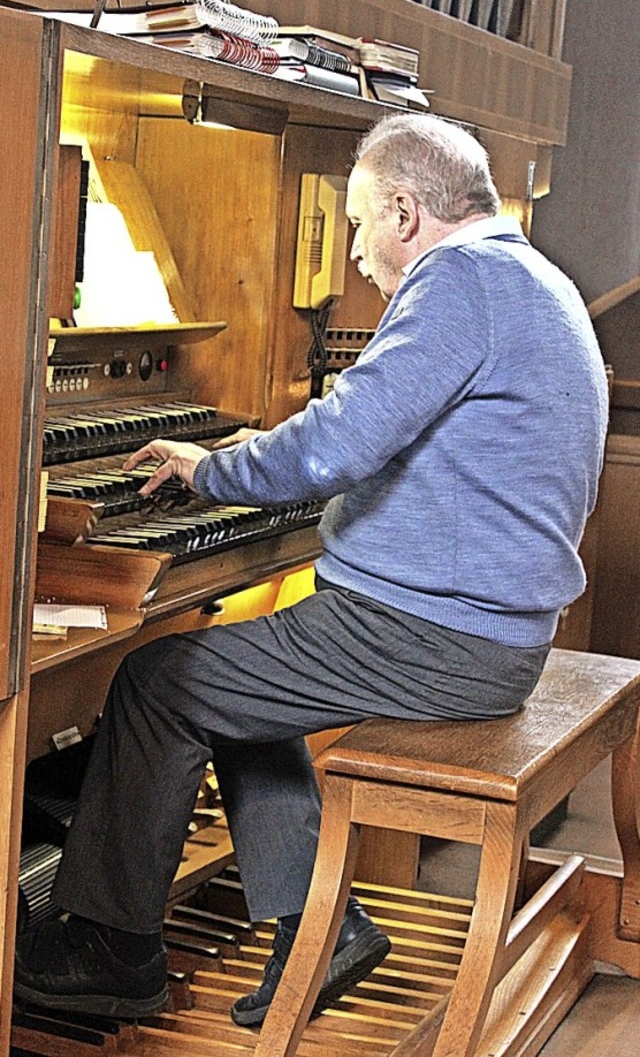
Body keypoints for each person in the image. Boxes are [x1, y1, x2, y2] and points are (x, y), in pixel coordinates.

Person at [15, 114, 609, 1027]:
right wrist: (263, 452)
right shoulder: (530, 278)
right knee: (245, 674)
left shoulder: (461, 282)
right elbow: (392, 441)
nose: (358, 256)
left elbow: (341, 445)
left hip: (437, 636)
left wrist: (212, 468)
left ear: (408, 212)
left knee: (161, 678)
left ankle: (111, 949)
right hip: (483, 625)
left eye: (364, 222)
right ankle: (315, 923)